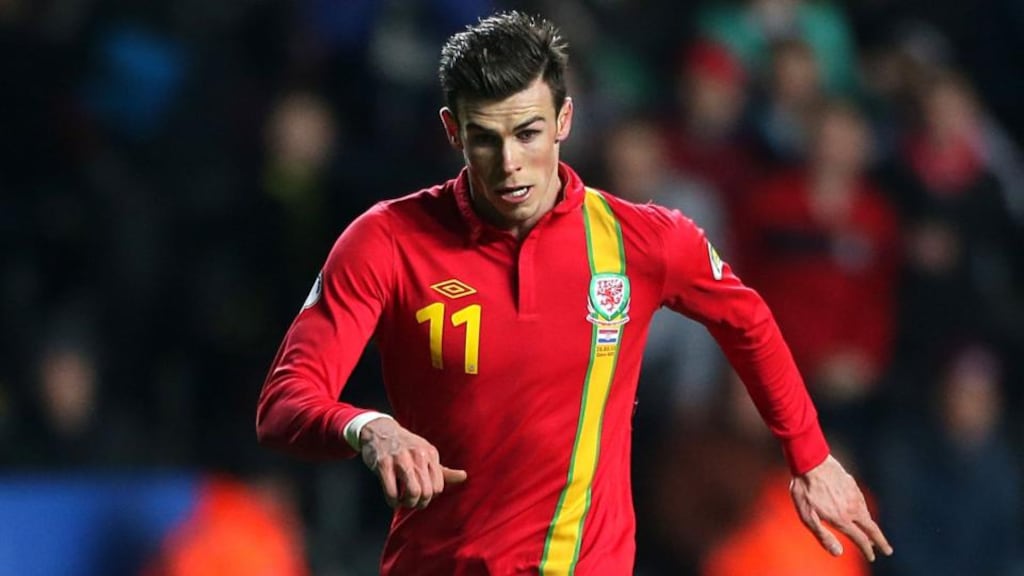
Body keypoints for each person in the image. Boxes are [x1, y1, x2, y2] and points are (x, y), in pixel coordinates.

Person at [256, 11, 892, 574]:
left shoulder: (641, 242)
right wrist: (368, 429)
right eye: (485, 137)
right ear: (454, 131)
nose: (509, 162)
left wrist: (810, 457)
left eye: (528, 133)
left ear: (564, 119)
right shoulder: (387, 240)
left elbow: (746, 319)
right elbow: (284, 403)